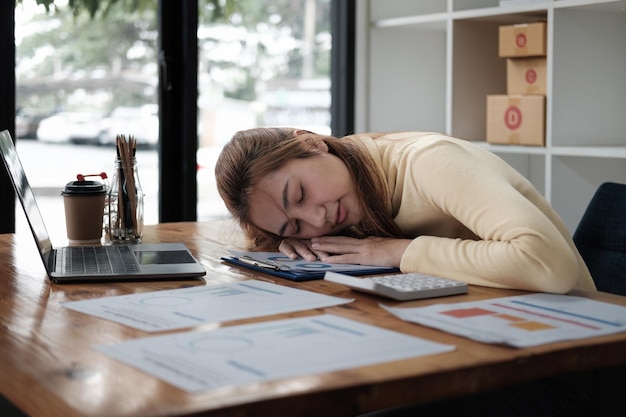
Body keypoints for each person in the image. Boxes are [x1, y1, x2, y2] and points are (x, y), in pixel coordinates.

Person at [215, 127, 595, 294]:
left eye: (299, 194)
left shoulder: (430, 162)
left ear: (312, 143)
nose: (316, 220)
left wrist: (398, 251)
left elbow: (549, 265)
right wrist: (285, 243)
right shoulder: (350, 187)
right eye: (294, 224)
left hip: (573, 357)